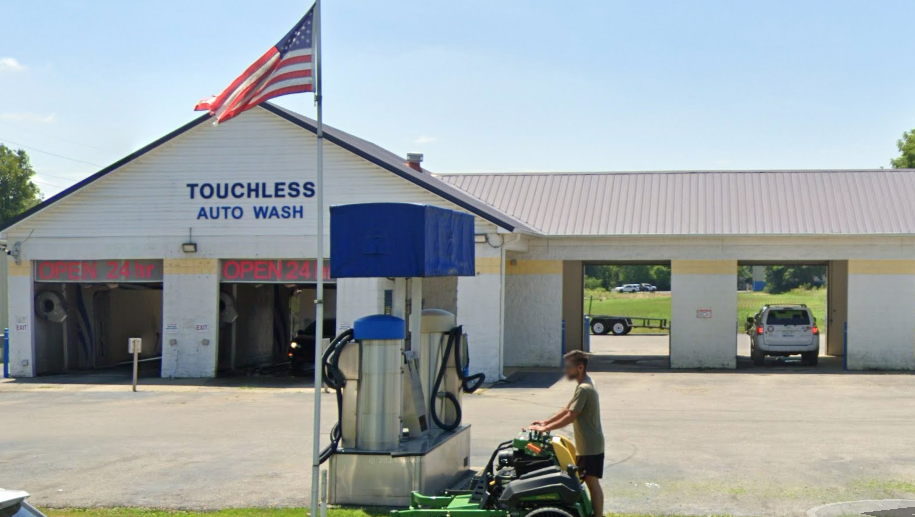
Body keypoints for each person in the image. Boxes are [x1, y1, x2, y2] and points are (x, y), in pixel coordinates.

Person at [528, 350, 604, 517]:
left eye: (569, 367)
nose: (566, 370)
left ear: (580, 367)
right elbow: (567, 408)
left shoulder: (584, 388)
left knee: (592, 482)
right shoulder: (584, 383)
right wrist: (545, 423)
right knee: (586, 480)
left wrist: (546, 429)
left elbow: (571, 416)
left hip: (590, 444)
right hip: (588, 443)